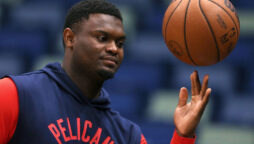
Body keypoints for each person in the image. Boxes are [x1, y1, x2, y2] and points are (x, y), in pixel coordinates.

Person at [0, 0, 211, 143]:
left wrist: (183, 134)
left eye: (120, 43)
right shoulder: (15, 94)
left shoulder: (127, 135)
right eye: (102, 38)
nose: (114, 48)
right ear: (69, 38)